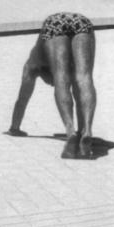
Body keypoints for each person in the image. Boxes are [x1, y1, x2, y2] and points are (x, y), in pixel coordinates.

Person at [7, 12, 98, 159]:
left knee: (61, 78)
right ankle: (86, 131)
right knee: (84, 77)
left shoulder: (31, 67)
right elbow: (77, 91)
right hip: (81, 22)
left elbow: (22, 99)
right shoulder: (59, 63)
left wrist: (14, 128)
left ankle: (71, 132)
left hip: (54, 24)